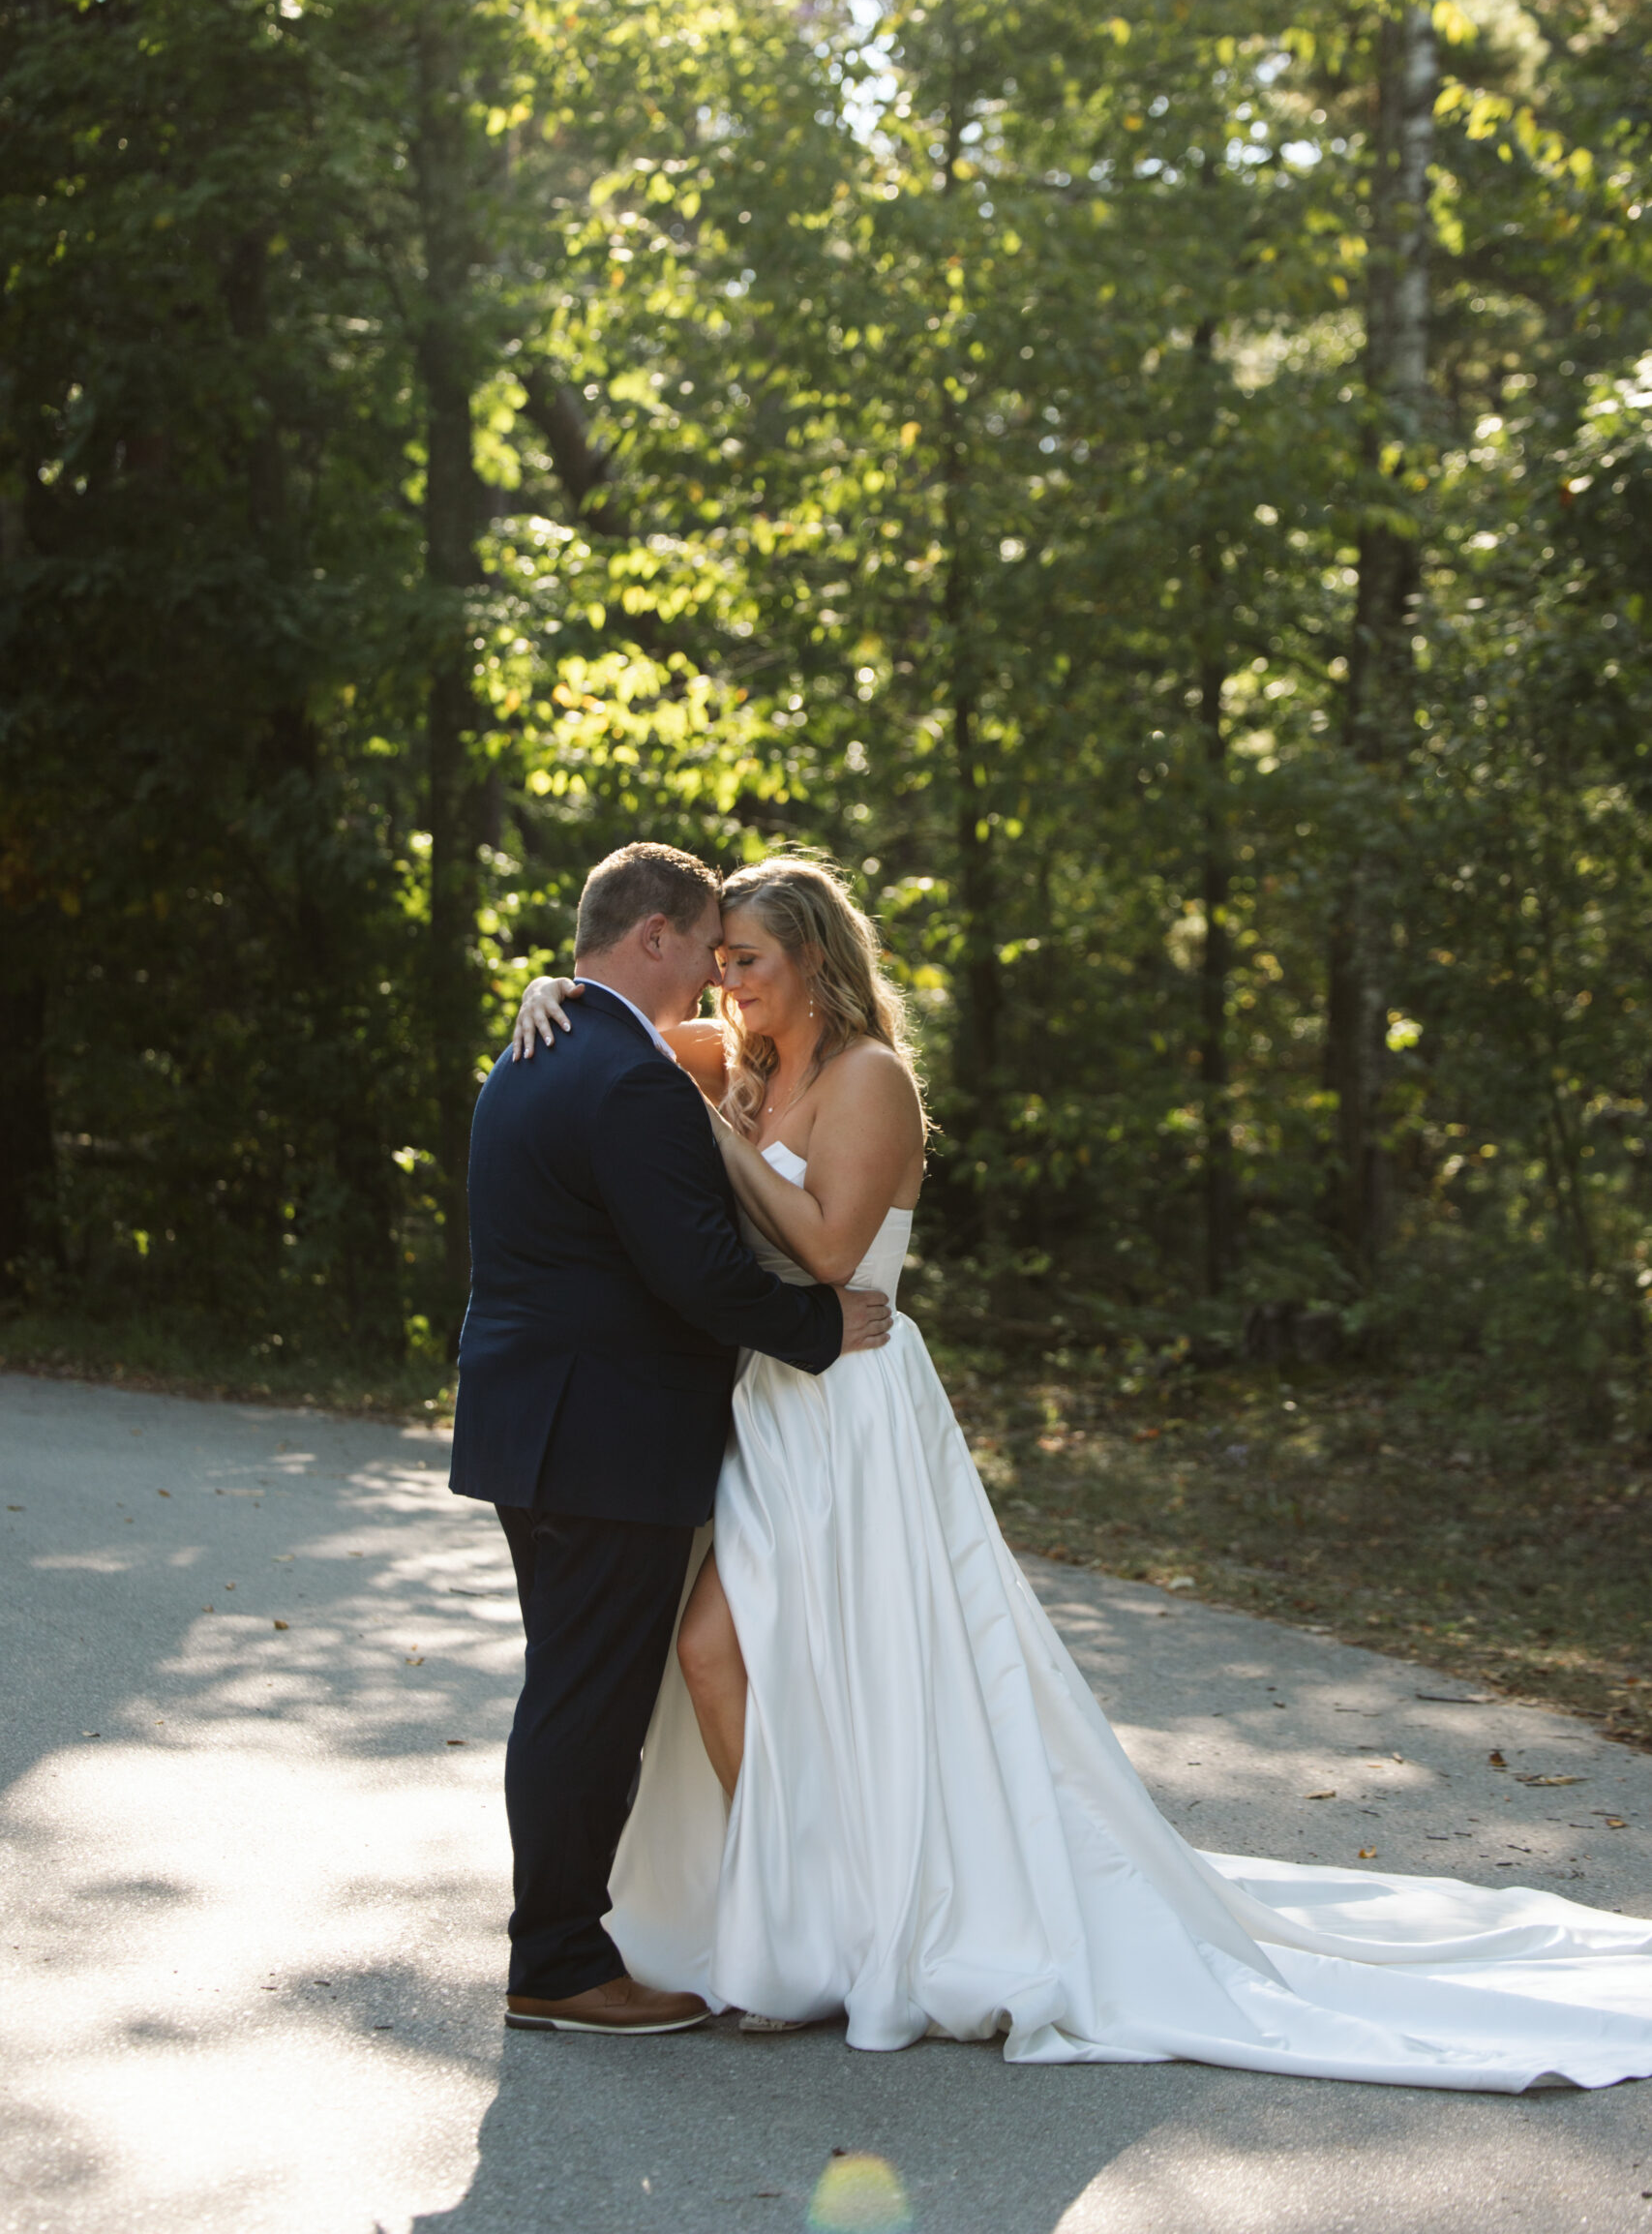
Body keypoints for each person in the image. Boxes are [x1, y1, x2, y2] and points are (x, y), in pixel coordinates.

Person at [510, 855, 1652, 2090]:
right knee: (740, 1657)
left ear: (817, 963)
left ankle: (859, 1923)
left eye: (748, 960)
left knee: (784, 1654)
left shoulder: (868, 1078)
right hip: (769, 1407)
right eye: (718, 957)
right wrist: (545, 990)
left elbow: (835, 1248)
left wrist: (717, 1144)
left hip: (855, 1398)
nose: (724, 982)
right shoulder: (741, 1063)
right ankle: (811, 1916)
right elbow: (621, 1041)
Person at [451, 841, 891, 2038]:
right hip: (604, 1438)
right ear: (654, 937)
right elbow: (698, 1271)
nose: (715, 976)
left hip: (528, 1426)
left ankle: (568, 1941)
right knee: (585, 1703)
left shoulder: (535, 1051)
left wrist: (554, 986)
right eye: (706, 948)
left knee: (571, 1690)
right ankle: (556, 1958)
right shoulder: (628, 1075)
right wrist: (819, 1324)